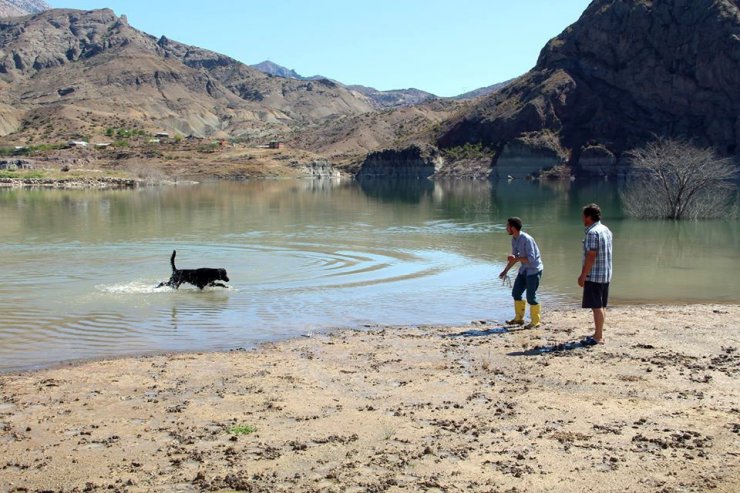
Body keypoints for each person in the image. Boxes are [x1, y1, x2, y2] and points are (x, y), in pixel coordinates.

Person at [498, 217, 544, 329]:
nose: (506, 228)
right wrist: (505, 271)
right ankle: (519, 319)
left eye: (507, 226)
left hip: (533, 270)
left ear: (513, 228)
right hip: (524, 270)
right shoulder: (514, 239)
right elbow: (515, 258)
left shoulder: (526, 239)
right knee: (516, 293)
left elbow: (531, 259)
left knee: (531, 297)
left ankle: (535, 321)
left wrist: (517, 258)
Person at [578, 203, 613, 345]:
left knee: (596, 306)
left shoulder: (593, 233)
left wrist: (582, 275)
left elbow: (591, 255)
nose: (582, 219)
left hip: (594, 275)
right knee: (601, 305)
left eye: (583, 216)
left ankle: (598, 336)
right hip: (605, 274)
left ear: (588, 217)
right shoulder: (606, 229)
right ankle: (598, 333)